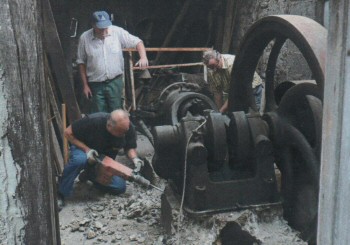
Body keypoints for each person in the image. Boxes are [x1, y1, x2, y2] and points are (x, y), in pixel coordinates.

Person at [58, 109, 144, 207]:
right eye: (120, 132)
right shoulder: (94, 121)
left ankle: (90, 174)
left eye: (125, 131)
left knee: (120, 187)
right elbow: (67, 133)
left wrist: (135, 159)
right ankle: (61, 193)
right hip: (83, 149)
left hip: (103, 160)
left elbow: (130, 147)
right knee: (79, 160)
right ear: (109, 126)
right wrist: (87, 150)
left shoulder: (127, 128)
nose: (124, 135)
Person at [77, 11, 149, 113]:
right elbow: (81, 62)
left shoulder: (117, 32)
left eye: (105, 27)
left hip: (115, 81)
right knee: (99, 114)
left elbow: (138, 42)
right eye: (100, 27)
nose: (104, 30)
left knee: (117, 113)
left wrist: (143, 57)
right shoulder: (84, 38)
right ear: (93, 25)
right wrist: (85, 85)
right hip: (95, 84)